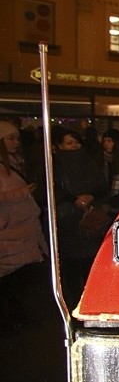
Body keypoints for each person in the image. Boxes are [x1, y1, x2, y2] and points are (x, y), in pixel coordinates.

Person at [51, 126, 109, 308]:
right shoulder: (55, 164)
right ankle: (74, 301)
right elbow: (54, 188)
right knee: (70, 263)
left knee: (89, 260)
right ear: (60, 145)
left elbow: (101, 184)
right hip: (67, 218)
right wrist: (73, 199)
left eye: (76, 142)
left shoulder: (88, 162)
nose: (74, 146)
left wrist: (90, 196)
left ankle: (90, 298)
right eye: (69, 143)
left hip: (89, 217)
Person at [0, 126, 46, 329]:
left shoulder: (14, 163)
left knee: (19, 279)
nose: (15, 143)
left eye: (17, 138)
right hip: (9, 231)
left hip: (21, 230)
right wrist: (22, 193)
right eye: (10, 138)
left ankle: (16, 317)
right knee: (10, 280)